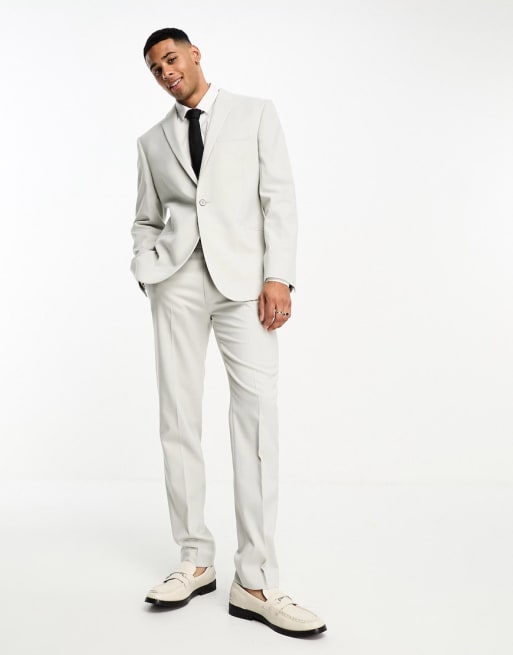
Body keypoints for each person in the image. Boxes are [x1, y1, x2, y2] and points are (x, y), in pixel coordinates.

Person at [130, 27, 326, 638]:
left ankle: (256, 579)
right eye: (154, 68)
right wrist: (147, 269)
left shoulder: (255, 113)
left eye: (171, 58)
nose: (165, 71)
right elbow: (145, 217)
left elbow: (279, 199)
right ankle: (194, 559)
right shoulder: (151, 141)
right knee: (178, 418)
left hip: (246, 284)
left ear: (194, 55)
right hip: (178, 283)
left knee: (257, 418)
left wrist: (279, 276)